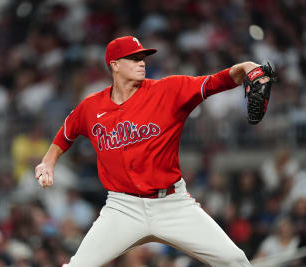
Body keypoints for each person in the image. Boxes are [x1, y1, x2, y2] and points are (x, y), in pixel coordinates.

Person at [35, 36, 270, 266]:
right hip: (122, 208)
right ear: (114, 65)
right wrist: (48, 161)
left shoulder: (169, 89)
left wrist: (247, 67)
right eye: (134, 58)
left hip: (172, 204)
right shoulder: (91, 107)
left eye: (143, 57)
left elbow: (217, 81)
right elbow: (66, 133)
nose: (142, 62)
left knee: (235, 260)